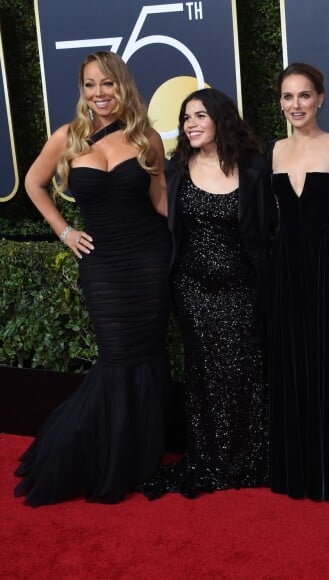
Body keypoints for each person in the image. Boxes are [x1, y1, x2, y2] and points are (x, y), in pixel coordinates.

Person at [14, 51, 172, 506]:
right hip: (102, 264)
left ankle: (139, 459)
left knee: (146, 355)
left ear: (123, 86)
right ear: (82, 90)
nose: (99, 94)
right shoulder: (68, 137)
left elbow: (162, 203)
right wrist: (64, 231)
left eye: (108, 84)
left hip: (148, 259)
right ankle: (103, 456)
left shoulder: (146, 140)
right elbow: (33, 184)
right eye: (89, 85)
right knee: (116, 356)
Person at [142, 88, 271, 500]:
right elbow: (164, 211)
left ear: (220, 119)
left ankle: (249, 457)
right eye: (185, 118)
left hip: (243, 287)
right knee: (205, 374)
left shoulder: (252, 167)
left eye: (199, 115)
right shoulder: (176, 167)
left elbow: (277, 214)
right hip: (193, 290)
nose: (191, 124)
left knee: (246, 370)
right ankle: (211, 457)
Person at [267, 62, 329, 501]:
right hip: (285, 269)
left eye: (303, 95)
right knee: (291, 363)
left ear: (320, 99)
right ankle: (297, 471)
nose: (295, 105)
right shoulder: (272, 151)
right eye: (288, 97)